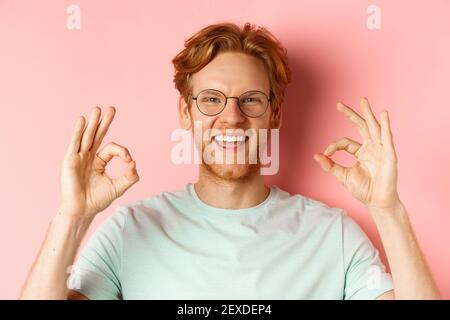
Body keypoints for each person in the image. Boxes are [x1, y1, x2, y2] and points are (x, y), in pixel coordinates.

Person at [20, 22, 440, 300]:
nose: (232, 117)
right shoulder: (132, 230)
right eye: (211, 100)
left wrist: (388, 210)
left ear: (274, 113)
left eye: (251, 100)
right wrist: (71, 216)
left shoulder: (333, 236)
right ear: (186, 113)